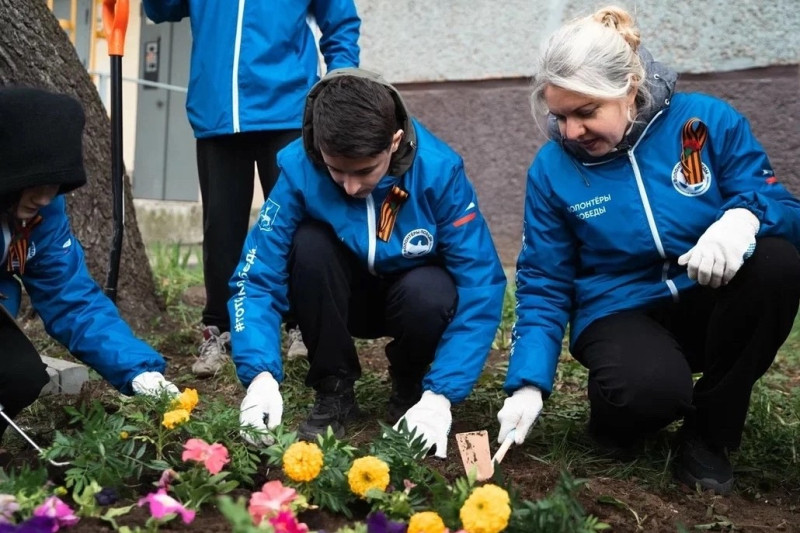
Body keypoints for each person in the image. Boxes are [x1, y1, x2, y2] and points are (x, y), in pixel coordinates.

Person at [496, 6, 800, 495]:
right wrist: (528, 382)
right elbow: (543, 282)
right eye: (559, 116)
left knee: (777, 263)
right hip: (617, 309)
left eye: (585, 112)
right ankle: (619, 413)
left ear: (630, 88)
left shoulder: (706, 122)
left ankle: (709, 434)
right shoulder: (552, 169)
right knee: (646, 395)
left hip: (706, 292)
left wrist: (745, 219)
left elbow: (783, 208)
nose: (570, 132)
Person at [230, 68, 507, 456]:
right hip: (338, 298)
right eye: (335, 170)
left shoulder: (440, 171)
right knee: (308, 246)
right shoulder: (299, 167)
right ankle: (334, 387)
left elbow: (481, 284)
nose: (349, 186)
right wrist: (259, 374)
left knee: (433, 290)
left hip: (410, 298)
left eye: (364, 171)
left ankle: (413, 386)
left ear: (394, 142)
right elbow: (257, 277)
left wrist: (442, 395)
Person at [141, 0, 361, 377]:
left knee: (298, 226)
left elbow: (339, 21)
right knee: (221, 231)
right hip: (217, 113)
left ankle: (299, 324)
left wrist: (338, 85)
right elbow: (161, 9)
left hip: (289, 111)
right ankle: (222, 328)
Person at [0, 87, 179, 441]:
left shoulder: (41, 214)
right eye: (36, 183)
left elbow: (71, 299)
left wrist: (138, 370)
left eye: (56, 184)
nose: (47, 196)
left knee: (20, 377)